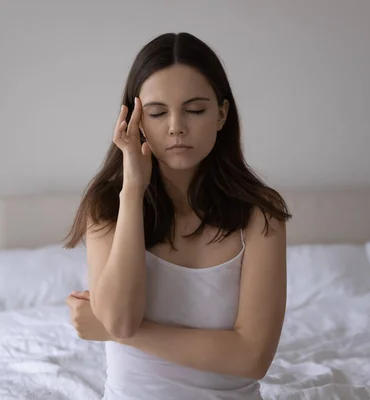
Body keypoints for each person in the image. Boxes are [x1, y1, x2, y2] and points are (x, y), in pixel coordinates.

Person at [65, 32, 291, 400]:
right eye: (156, 113)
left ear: (221, 114)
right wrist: (133, 189)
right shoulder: (109, 205)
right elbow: (121, 318)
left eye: (195, 110)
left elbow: (253, 358)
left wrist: (113, 330)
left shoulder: (261, 215)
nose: (175, 127)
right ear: (134, 121)